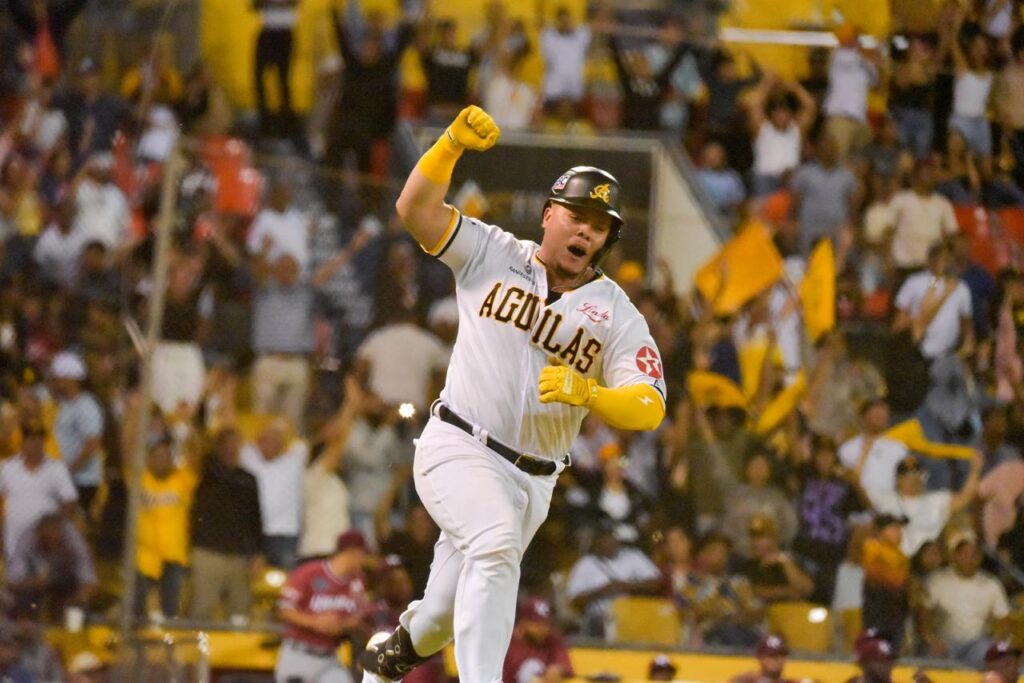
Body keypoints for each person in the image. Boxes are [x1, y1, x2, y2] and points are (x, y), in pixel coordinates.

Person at [360, 105, 666, 682]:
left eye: (598, 226)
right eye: (576, 215)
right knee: (496, 544)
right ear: (549, 215)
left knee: (441, 619)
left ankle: (389, 659)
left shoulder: (617, 314)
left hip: (534, 480)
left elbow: (650, 406)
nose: (585, 231)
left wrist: (592, 395)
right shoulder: (493, 250)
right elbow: (414, 209)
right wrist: (449, 144)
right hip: (460, 443)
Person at [275, 530, 371, 683]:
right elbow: (284, 609)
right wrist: (315, 622)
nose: (364, 560)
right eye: (362, 554)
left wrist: (341, 625)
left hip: (329, 658)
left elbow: (359, 617)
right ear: (352, 552)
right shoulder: (309, 572)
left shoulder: (358, 581)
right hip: (298, 654)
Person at [921, 532, 1010, 666]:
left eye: (974, 554)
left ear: (980, 558)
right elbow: (923, 614)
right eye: (964, 554)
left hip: (977, 644)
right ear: (955, 556)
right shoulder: (937, 581)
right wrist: (931, 640)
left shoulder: (992, 584)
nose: (969, 559)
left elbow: (1003, 620)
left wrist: (999, 645)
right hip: (944, 643)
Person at [0, 419, 78, 565]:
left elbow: (70, 501)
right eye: (29, 439)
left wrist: (56, 529)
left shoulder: (57, 469)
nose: (33, 444)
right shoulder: (6, 468)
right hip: (14, 542)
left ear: (44, 442)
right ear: (22, 443)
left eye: (37, 439)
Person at [502, 596, 573, 683]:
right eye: (537, 625)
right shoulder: (507, 643)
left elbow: (566, 666)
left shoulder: (552, 639)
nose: (544, 629)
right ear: (523, 623)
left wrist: (558, 669)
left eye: (546, 624)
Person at [728, 634, 797, 683]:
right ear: (761, 658)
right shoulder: (744, 681)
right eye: (773, 656)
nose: (778, 660)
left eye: (782, 655)